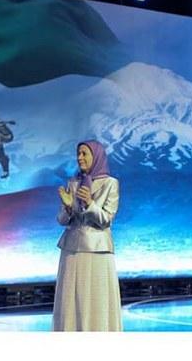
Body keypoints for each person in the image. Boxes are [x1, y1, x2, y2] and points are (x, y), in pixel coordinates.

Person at [52, 140, 122, 331]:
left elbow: (106, 219)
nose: (79, 158)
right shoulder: (73, 183)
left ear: (96, 156)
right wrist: (68, 207)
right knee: (70, 300)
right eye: (78, 154)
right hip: (71, 250)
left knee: (95, 298)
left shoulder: (110, 184)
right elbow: (62, 220)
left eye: (84, 153)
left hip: (97, 250)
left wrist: (90, 204)